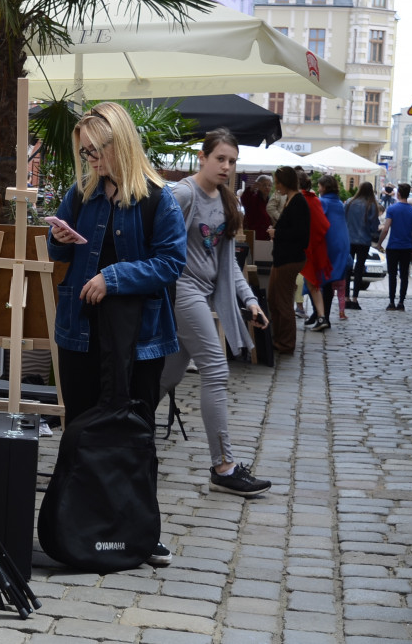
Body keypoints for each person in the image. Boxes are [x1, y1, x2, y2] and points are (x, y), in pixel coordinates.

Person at [47, 103, 186, 564]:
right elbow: (58, 250)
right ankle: (83, 527)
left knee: (135, 435)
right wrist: (59, 238)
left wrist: (115, 277)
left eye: (96, 150)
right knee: (83, 433)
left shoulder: (156, 198)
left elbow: (171, 263)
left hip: (138, 341)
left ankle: (139, 531)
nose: (90, 160)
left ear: (119, 143)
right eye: (84, 152)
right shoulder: (80, 195)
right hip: (80, 335)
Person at [158, 129, 271, 499]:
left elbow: (227, 262)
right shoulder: (182, 194)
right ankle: (224, 466)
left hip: (205, 294)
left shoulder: (226, 200)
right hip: (181, 292)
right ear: (202, 157)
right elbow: (156, 243)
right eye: (220, 158)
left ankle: (121, 435)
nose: (226, 166)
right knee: (216, 370)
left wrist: (249, 300)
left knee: (167, 376)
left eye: (232, 161)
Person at [267, 167, 309, 354]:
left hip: (289, 259)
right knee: (274, 299)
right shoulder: (291, 200)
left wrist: (277, 233)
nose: (276, 186)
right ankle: (278, 338)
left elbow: (301, 235)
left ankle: (285, 343)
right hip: (283, 258)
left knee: (282, 301)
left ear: (286, 182)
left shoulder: (298, 202)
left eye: (278, 182)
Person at [296, 169, 332, 332]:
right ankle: (321, 317)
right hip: (316, 246)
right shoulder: (314, 199)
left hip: (304, 247)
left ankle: (315, 315)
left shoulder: (299, 199)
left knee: (307, 283)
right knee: (313, 284)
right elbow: (323, 224)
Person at [377, 183, 412, 310]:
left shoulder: (392, 209)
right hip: (406, 247)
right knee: (404, 275)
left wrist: (379, 243)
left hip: (393, 246)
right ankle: (401, 302)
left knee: (392, 275)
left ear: (398, 194)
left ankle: (391, 302)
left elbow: (385, 229)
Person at [317, 176, 350, 322]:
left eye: (319, 186)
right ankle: (325, 317)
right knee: (329, 281)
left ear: (324, 187)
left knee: (321, 282)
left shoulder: (323, 202)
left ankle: (322, 317)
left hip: (328, 244)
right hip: (341, 244)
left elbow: (318, 223)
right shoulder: (338, 203)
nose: (318, 189)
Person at [344, 182, 381, 311]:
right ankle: (355, 299)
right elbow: (374, 226)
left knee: (347, 269)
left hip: (349, 239)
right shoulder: (371, 205)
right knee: (359, 269)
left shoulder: (349, 202)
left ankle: (346, 298)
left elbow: (343, 219)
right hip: (364, 241)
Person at [240, 175, 273, 240]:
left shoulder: (271, 201)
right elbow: (244, 199)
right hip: (254, 235)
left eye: (269, 185)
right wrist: (252, 188)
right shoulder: (253, 198)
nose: (267, 187)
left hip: (268, 236)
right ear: (258, 186)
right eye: (264, 185)